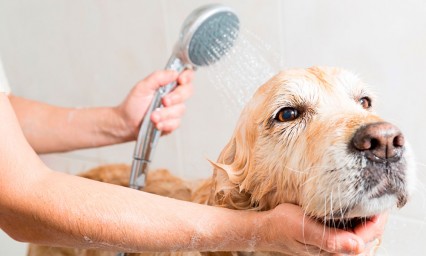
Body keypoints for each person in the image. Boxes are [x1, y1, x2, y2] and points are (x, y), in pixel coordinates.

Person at [0, 57, 386, 255]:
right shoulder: (237, 210)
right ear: (241, 187)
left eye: (363, 101)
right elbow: (19, 200)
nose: (376, 133)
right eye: (289, 114)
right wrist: (255, 231)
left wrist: (116, 122)